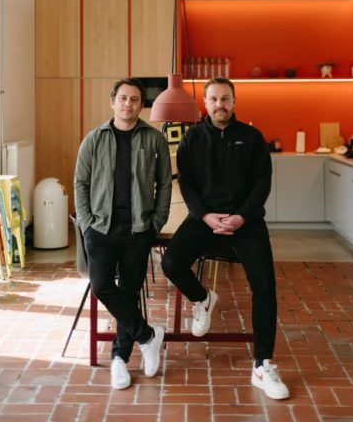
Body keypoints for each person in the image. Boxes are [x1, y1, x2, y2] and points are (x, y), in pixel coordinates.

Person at [161, 77, 289, 400]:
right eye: (214, 99)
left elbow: (262, 182)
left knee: (264, 286)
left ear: (234, 102)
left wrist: (242, 216)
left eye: (225, 99)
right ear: (205, 103)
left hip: (246, 220)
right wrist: (205, 215)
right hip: (204, 217)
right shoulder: (191, 139)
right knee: (171, 263)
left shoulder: (252, 137)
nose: (220, 104)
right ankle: (203, 298)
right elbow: (186, 183)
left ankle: (262, 364)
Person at [74, 77, 172, 390]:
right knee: (101, 285)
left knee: (129, 293)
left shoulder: (154, 139)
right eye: (123, 98)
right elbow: (80, 183)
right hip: (101, 227)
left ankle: (119, 358)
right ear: (113, 102)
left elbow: (164, 183)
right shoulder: (94, 139)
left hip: (138, 228)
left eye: (134, 99)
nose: (128, 104)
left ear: (141, 105)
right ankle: (148, 335)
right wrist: (87, 223)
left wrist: (157, 221)